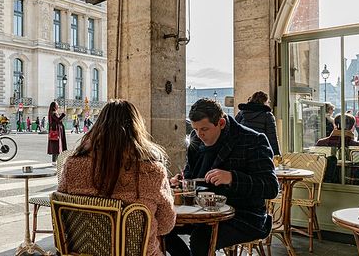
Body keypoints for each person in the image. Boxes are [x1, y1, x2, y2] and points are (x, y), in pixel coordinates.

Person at [59, 100, 176, 256]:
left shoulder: (72, 166)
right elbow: (165, 225)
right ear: (137, 129)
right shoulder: (152, 171)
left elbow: (62, 217)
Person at [165, 98, 278, 255]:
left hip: (243, 215)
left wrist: (232, 178)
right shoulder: (196, 138)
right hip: (201, 212)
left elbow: (271, 188)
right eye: (195, 129)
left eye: (204, 129)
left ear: (221, 123)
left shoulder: (252, 140)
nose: (199, 135)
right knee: (162, 227)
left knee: (202, 238)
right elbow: (190, 172)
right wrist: (181, 181)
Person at [235, 91, 280, 156]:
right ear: (265, 102)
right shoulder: (267, 115)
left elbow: (234, 131)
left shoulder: (242, 113)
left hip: (242, 150)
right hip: (260, 151)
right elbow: (272, 137)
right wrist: (276, 154)